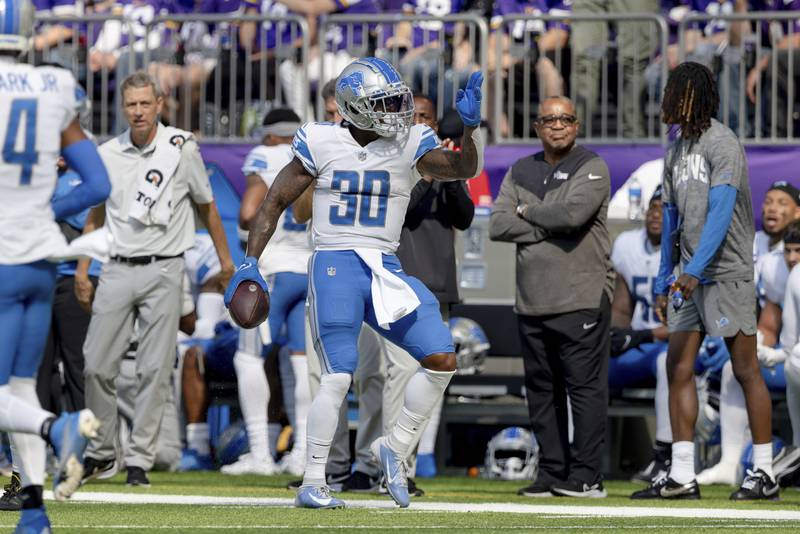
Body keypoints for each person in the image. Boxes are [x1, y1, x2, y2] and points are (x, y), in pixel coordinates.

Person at [226, 57, 484, 509]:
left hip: (386, 265)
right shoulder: (321, 140)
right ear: (353, 106)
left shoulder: (410, 143)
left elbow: (462, 170)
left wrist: (469, 132)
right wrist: (250, 262)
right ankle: (312, 481)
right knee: (338, 376)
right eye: (382, 103)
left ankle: (393, 448)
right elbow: (274, 201)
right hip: (335, 263)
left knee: (442, 357)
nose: (394, 112)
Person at [76, 71, 234, 488]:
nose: (139, 111)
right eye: (132, 104)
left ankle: (139, 460)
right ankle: (102, 452)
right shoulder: (108, 152)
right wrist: (82, 268)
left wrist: (226, 261)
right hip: (115, 265)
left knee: (154, 369)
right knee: (95, 364)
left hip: (165, 267)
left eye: (146, 103)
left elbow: (207, 206)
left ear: (159, 104)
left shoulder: (181, 149)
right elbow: (96, 213)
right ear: (123, 108)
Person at [632, 61, 777, 501]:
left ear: (691, 96)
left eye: (674, 94)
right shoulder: (676, 150)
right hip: (688, 277)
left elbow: (721, 211)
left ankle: (765, 472)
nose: (667, 103)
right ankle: (681, 475)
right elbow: (672, 218)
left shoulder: (723, 142)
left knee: (745, 368)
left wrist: (694, 272)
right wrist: (665, 276)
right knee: (677, 367)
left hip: (726, 271)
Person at [0, 0, 112, 529]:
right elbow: (97, 184)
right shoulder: (55, 86)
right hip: (42, 257)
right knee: (20, 387)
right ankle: (34, 512)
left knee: (14, 399)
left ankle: (55, 429)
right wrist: (41, 210)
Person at [489, 96, 614, 498]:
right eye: (549, 119)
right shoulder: (521, 168)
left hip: (581, 297)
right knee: (542, 393)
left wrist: (525, 211)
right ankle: (553, 472)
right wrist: (544, 218)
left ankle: (588, 475)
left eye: (565, 119)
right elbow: (497, 225)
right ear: (538, 126)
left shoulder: (592, 166)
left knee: (584, 390)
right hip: (531, 301)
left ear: (577, 126)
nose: (557, 125)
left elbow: (573, 216)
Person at [383, 94, 475, 480]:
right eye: (415, 116)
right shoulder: (390, 160)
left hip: (437, 286)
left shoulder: (440, 163)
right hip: (398, 282)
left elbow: (465, 218)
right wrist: (427, 175)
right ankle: (393, 464)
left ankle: (413, 462)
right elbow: (398, 210)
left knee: (434, 375)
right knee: (399, 375)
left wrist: (452, 177)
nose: (422, 122)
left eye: (428, 118)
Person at [223, 108, 312, 476]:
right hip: (307, 267)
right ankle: (304, 450)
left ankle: (260, 453)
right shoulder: (314, 153)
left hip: (273, 268)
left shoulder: (267, 155)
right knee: (301, 363)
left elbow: (248, 213)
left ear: (273, 135)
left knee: (248, 358)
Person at [609, 186, 671, 484]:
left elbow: (687, 322)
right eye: (653, 207)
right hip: (638, 345)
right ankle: (576, 453)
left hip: (669, 346)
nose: (656, 214)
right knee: (583, 367)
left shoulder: (686, 249)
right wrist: (615, 334)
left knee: (669, 364)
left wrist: (643, 336)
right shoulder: (627, 244)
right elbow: (622, 305)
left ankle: (664, 457)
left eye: (664, 208)